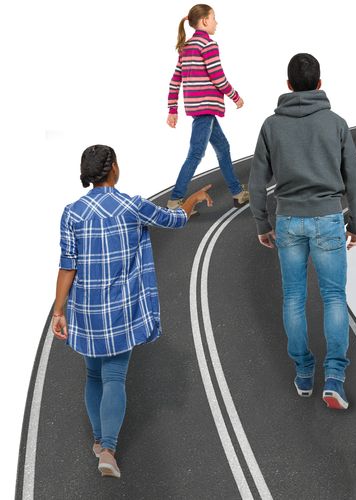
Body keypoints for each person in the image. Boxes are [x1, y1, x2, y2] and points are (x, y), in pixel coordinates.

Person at [51, 145, 212, 478]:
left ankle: (98, 441)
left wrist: (58, 311)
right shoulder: (131, 205)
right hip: (121, 312)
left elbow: (67, 266)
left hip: (86, 312)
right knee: (114, 377)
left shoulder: (72, 212)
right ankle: (108, 449)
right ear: (112, 169)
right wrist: (192, 201)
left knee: (94, 375)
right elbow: (174, 219)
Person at [249, 54, 356, 410]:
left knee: (293, 298)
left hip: (288, 222)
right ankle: (334, 377)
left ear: (288, 86)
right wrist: (355, 223)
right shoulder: (336, 123)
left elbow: (256, 184)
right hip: (329, 219)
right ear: (319, 83)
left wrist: (262, 224)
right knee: (333, 298)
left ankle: (303, 373)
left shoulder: (272, 126)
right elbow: (355, 183)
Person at [166, 4, 249, 210]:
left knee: (223, 147)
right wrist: (235, 97)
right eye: (214, 18)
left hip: (201, 111)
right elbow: (218, 78)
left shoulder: (186, 48)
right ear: (204, 21)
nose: (216, 22)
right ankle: (175, 201)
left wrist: (172, 109)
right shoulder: (208, 45)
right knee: (195, 154)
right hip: (206, 109)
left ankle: (237, 192)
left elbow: (175, 80)